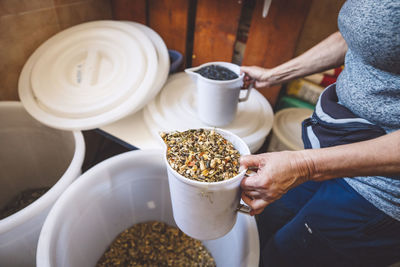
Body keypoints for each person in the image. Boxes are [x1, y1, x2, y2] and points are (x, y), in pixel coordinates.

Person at [239, 0, 400, 266]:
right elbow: (359, 36)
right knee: (261, 226)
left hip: (382, 190)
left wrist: (305, 165)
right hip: (336, 141)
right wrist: (274, 75)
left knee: (281, 257)